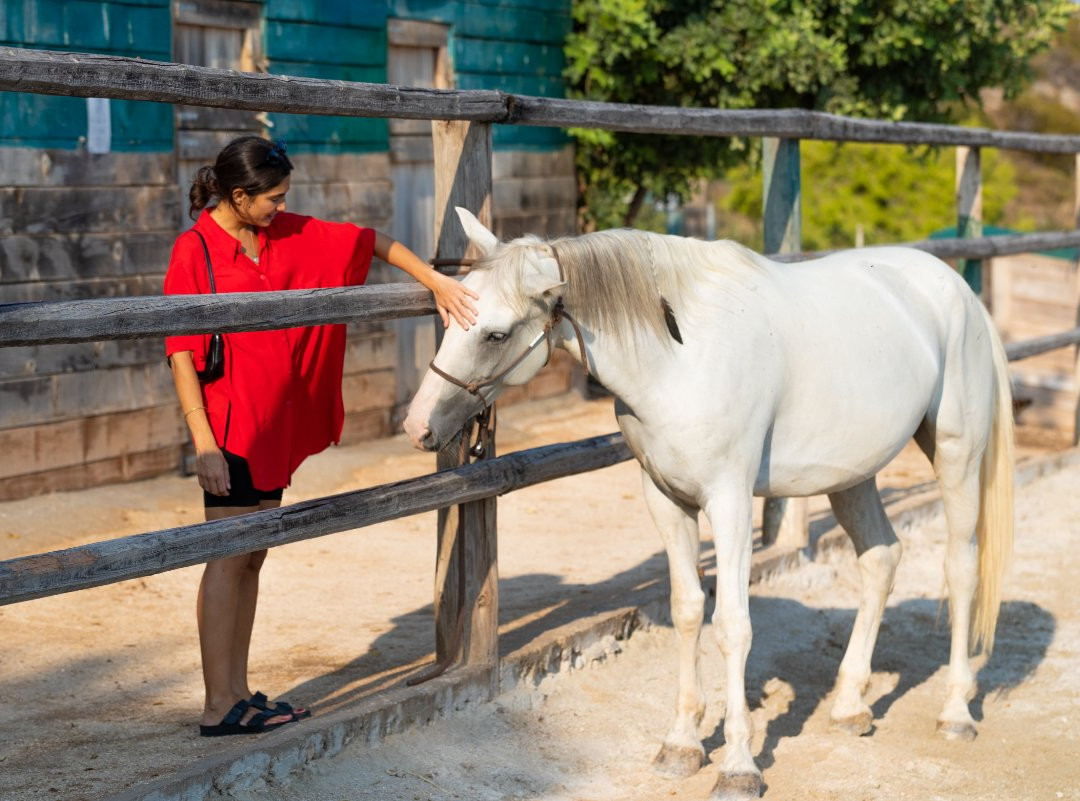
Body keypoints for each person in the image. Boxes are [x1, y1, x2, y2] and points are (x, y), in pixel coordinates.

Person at [164, 135, 478, 736]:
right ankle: (215, 706)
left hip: (275, 428)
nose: (282, 206)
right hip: (229, 428)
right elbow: (180, 351)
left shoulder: (281, 233)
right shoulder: (195, 249)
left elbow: (370, 242)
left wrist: (437, 282)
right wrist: (202, 441)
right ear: (239, 195)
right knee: (227, 558)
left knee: (252, 555)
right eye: (273, 198)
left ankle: (235, 690)